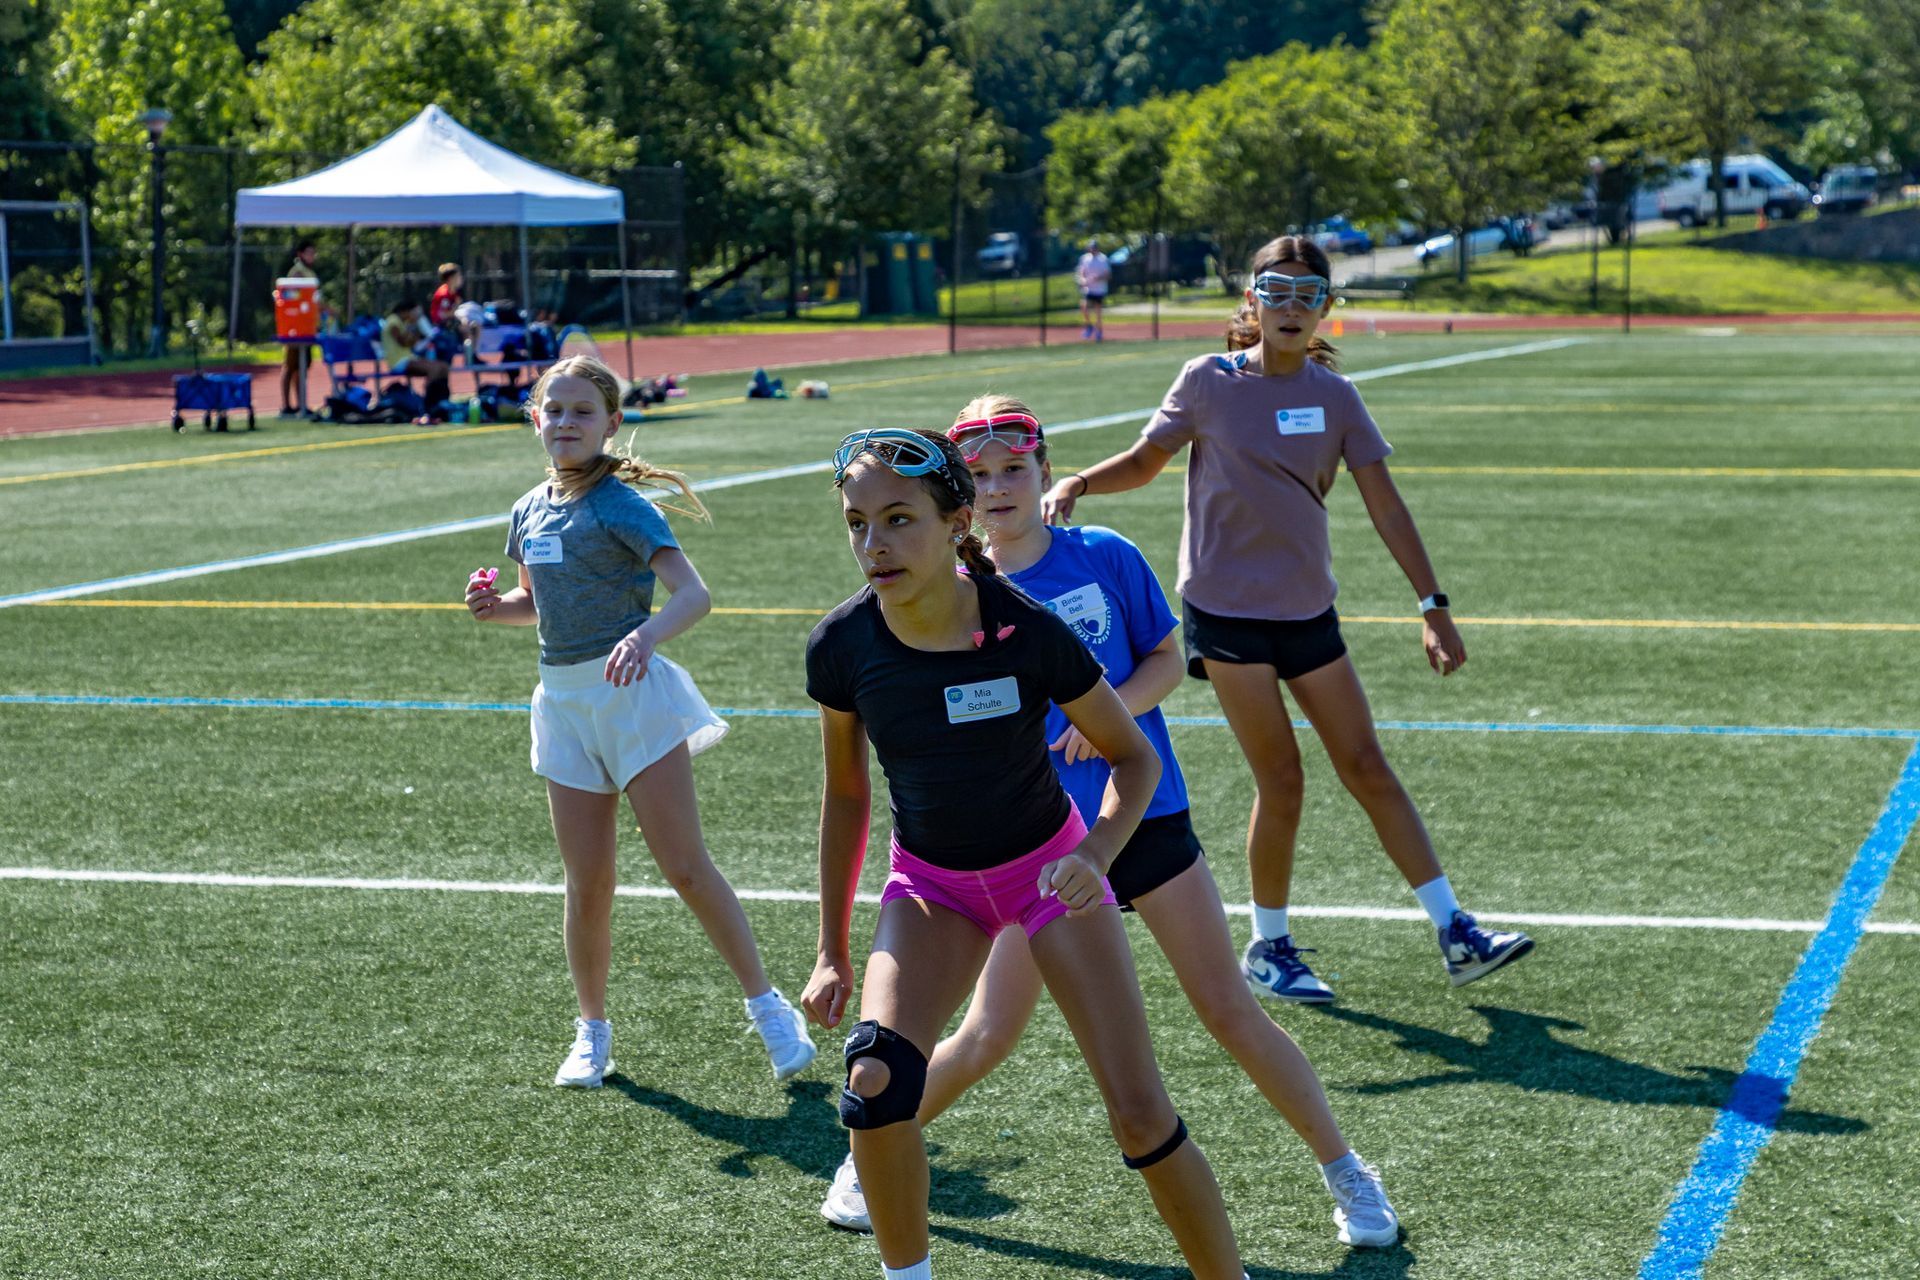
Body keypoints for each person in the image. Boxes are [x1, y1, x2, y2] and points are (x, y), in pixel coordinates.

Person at [817, 398, 1400, 1249]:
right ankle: (872, 1145)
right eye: (980, 472)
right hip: (1031, 853)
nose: (1000, 484)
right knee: (983, 1034)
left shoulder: (1099, 561)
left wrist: (1103, 716)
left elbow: (1164, 660)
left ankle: (1344, 1166)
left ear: (1041, 475)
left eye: (1014, 467)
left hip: (1141, 826)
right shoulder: (925, 601)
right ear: (964, 497)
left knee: (1229, 1012)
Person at [803, 428, 1247, 1280]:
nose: (874, 544)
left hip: (1049, 877)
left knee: (1140, 1115)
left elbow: (1135, 757)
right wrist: (831, 951)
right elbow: (848, 797)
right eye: (858, 523)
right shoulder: (841, 646)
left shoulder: (1026, 630)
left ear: (956, 520)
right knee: (875, 1084)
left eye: (899, 519)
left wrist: (1100, 856)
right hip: (932, 887)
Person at [1042, 235, 1533, 1004]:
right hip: (1226, 614)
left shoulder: (1337, 398)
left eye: (1309, 295)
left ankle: (1454, 930)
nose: (1292, 307)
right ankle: (1270, 947)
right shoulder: (1207, 381)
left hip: (1307, 611)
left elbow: (1386, 505)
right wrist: (1078, 481)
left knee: (1366, 764)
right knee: (1284, 779)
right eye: (1277, 291)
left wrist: (1433, 605)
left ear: (1326, 309)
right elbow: (1145, 460)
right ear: (1252, 302)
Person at [463, 354, 816, 1090]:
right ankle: (591, 1033)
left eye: (582, 412)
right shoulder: (528, 509)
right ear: (535, 417)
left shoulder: (622, 504)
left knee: (685, 867)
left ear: (611, 423)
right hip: (562, 704)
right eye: (553, 410)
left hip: (633, 697)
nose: (565, 423)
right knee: (586, 882)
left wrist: (647, 635)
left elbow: (694, 594)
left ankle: (768, 1008)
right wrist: (498, 609)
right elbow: (538, 603)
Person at [278, 241, 332, 417]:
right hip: (296, 328)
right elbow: (297, 299)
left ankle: (301, 404)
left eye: (314, 252)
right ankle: (287, 406)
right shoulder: (298, 272)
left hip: (308, 327)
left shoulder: (309, 271)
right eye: (309, 252)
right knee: (291, 366)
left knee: (302, 367)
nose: (312, 256)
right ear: (300, 254)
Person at [382, 300, 452, 415]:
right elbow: (404, 342)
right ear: (406, 311)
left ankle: (442, 401)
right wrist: (413, 326)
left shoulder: (401, 322)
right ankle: (428, 404)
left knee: (443, 367)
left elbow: (412, 342)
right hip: (398, 362)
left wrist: (416, 330)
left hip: (408, 358)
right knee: (434, 369)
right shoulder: (393, 322)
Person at [430, 262, 483, 356]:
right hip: (442, 325)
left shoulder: (453, 293)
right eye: (459, 276)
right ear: (451, 278)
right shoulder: (444, 294)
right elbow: (442, 315)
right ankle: (469, 356)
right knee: (466, 327)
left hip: (450, 322)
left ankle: (473, 355)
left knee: (475, 325)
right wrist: (456, 309)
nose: (461, 278)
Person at [1076, 238, 1112, 342]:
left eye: (1094, 247)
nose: (1092, 249)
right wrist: (1083, 280)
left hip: (1099, 290)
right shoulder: (1085, 258)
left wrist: (1098, 278)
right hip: (1089, 289)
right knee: (1084, 307)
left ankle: (1099, 332)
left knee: (1098, 312)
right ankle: (1089, 326)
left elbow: (1108, 275)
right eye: (1091, 247)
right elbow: (1081, 272)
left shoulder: (1103, 259)